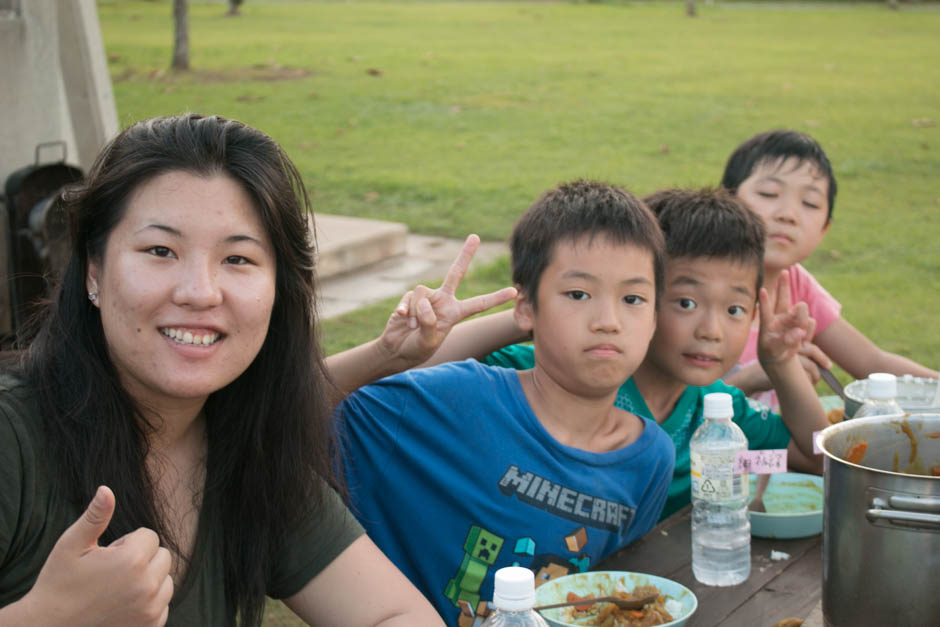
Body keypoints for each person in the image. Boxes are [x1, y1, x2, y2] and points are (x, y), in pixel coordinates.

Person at [0, 113, 444, 626]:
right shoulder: (13, 440)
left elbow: (392, 613)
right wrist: (50, 617)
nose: (200, 292)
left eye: (238, 259)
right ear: (94, 272)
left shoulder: (245, 449)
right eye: (160, 251)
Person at [336, 180, 676, 626]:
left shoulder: (650, 457)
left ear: (654, 319)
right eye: (578, 294)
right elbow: (282, 407)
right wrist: (387, 354)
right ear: (525, 309)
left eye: (633, 299)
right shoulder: (452, 401)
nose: (608, 321)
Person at [454, 189, 827, 520]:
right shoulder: (562, 377)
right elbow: (409, 374)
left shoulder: (720, 415)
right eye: (685, 302)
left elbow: (817, 458)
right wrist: (533, 313)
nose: (710, 331)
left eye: (734, 310)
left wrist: (781, 364)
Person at [719, 129, 937, 407]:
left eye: (809, 203)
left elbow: (872, 363)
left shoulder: (797, 284)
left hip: (774, 449)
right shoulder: (697, 284)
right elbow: (669, 405)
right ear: (726, 200)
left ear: (824, 229)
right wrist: (755, 376)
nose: (787, 214)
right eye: (769, 193)